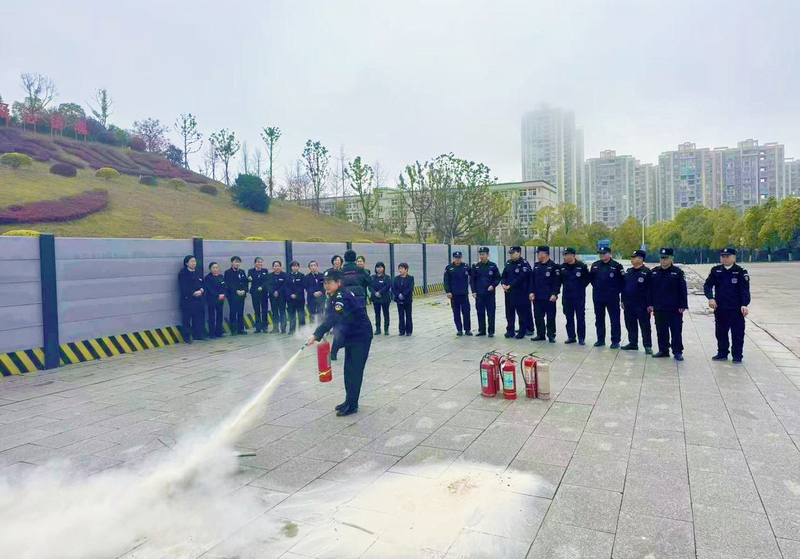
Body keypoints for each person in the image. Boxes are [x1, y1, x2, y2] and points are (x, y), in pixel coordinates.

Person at [306, 269, 374, 417]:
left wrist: (316, 334)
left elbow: (333, 318)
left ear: (339, 282)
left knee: (354, 372)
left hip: (361, 337)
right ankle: (348, 401)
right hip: (351, 336)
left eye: (329, 282)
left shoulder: (342, 297)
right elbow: (329, 317)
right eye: (324, 283)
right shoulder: (333, 295)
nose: (326, 285)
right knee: (348, 370)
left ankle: (352, 405)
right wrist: (322, 334)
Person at [704, 247, 750, 363]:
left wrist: (744, 304)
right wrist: (710, 298)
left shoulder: (740, 271)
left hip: (736, 308)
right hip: (721, 307)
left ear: (733, 257)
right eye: (723, 256)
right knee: (721, 332)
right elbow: (708, 285)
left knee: (737, 333)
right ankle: (722, 353)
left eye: (727, 256)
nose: (725, 259)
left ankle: (737, 355)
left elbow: (745, 290)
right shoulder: (716, 270)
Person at [649, 248, 688, 361]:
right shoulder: (654, 272)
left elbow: (682, 290)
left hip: (674, 307)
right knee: (661, 330)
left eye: (666, 258)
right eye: (661, 258)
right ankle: (663, 350)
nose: (663, 260)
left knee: (676, 330)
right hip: (659, 306)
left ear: (671, 259)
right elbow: (649, 290)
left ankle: (677, 351)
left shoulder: (677, 272)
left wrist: (682, 305)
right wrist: (650, 304)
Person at [590, 246, 624, 348]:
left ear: (610, 254)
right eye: (600, 253)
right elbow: (591, 279)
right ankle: (600, 339)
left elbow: (622, 281)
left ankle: (615, 341)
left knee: (614, 319)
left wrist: (615, 291)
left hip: (612, 297)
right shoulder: (595, 265)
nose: (602, 255)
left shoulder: (617, 266)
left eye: (604, 253)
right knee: (599, 319)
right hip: (598, 297)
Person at [621, 249, 653, 354]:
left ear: (641, 259)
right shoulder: (629, 271)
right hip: (629, 303)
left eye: (634, 257)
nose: (632, 259)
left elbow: (650, 289)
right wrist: (622, 300)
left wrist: (650, 304)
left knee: (645, 326)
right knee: (630, 324)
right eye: (631, 257)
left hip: (642, 304)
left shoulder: (647, 272)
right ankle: (633, 343)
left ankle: (647, 345)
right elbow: (624, 287)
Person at [529, 245, 560, 343]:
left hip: (549, 296)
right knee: (538, 316)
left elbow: (556, 282)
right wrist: (531, 292)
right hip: (538, 296)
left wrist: (555, 294)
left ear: (544, 254)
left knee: (550, 317)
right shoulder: (536, 265)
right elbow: (532, 281)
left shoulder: (554, 266)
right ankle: (540, 334)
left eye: (538, 253)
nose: (537, 255)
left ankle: (551, 335)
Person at [559, 248, 589, 345]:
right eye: (564, 255)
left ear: (573, 255)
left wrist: (580, 287)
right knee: (569, 317)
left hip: (579, 296)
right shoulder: (562, 267)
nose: (564, 257)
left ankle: (581, 338)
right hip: (567, 296)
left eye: (566, 255)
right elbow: (559, 280)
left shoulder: (582, 266)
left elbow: (587, 279)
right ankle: (571, 336)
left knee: (580, 317)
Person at [470, 247, 501, 338]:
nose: (481, 256)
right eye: (480, 254)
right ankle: (482, 330)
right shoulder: (476, 266)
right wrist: (473, 291)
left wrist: (493, 285)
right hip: (479, 294)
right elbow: (472, 280)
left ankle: (491, 331)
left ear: (487, 255)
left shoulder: (493, 266)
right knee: (480, 312)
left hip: (489, 294)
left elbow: (498, 278)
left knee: (491, 313)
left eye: (483, 254)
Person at [501, 246, 531, 339]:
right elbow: (504, 275)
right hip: (508, 292)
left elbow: (521, 278)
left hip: (520, 292)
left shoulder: (524, 264)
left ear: (518, 253)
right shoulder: (508, 263)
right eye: (510, 253)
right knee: (509, 312)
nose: (511, 255)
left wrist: (510, 285)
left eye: (513, 253)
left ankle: (522, 331)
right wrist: (503, 284)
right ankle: (510, 330)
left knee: (521, 313)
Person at [444, 251, 473, 336]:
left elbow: (473, 275)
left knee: (466, 312)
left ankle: (467, 329)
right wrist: (448, 291)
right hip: (454, 295)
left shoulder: (466, 266)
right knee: (456, 313)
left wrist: (474, 266)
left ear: (461, 258)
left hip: (464, 294)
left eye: (459, 257)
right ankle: (459, 329)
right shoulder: (449, 268)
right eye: (456, 258)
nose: (457, 259)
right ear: (453, 258)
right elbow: (446, 281)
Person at [178, 255, 206, 343]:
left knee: (198, 318)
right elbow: (184, 286)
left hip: (199, 299)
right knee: (186, 319)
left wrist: (201, 290)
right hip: (188, 299)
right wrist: (193, 292)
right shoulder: (183, 273)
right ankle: (186, 337)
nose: (194, 263)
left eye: (194, 261)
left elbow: (203, 283)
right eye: (191, 261)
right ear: (187, 263)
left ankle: (198, 335)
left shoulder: (198, 272)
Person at [224, 256, 249, 335]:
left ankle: (241, 329)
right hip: (233, 295)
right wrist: (236, 291)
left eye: (238, 262)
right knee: (233, 312)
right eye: (235, 262)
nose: (237, 264)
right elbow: (228, 283)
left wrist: (244, 290)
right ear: (232, 263)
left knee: (240, 312)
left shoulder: (242, 271)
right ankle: (233, 329)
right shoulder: (228, 272)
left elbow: (245, 282)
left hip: (241, 295)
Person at [248, 257, 270, 333]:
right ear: (255, 263)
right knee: (256, 310)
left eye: (261, 262)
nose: (259, 263)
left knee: (264, 310)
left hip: (263, 293)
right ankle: (258, 328)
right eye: (258, 262)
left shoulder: (265, 270)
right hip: (255, 293)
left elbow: (267, 281)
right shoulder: (251, 271)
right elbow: (250, 279)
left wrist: (262, 287)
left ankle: (265, 327)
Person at [204, 262, 226, 338]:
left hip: (221, 299)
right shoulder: (207, 278)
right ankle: (212, 333)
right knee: (212, 316)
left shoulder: (221, 276)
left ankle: (219, 332)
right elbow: (209, 289)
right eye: (213, 268)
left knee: (220, 315)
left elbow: (224, 287)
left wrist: (223, 294)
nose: (215, 269)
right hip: (212, 299)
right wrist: (217, 295)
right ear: (210, 269)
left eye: (216, 267)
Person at [370, 261, 392, 335]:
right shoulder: (372, 277)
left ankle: (386, 329)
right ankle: (378, 328)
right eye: (377, 267)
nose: (379, 269)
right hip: (375, 298)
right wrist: (374, 293)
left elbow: (387, 286)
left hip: (385, 298)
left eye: (380, 267)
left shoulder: (387, 277)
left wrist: (380, 292)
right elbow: (370, 286)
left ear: (383, 268)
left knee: (386, 313)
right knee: (377, 314)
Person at [393, 262, 414, 336]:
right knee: (401, 315)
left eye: (402, 268)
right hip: (399, 300)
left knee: (408, 315)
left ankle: (409, 331)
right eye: (399, 269)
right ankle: (401, 330)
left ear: (406, 269)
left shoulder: (410, 278)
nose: (400, 270)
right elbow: (394, 288)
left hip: (407, 299)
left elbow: (410, 288)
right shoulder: (396, 278)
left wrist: (403, 294)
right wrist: (398, 294)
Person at [286, 260, 306, 333]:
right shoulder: (287, 276)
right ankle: (292, 330)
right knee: (291, 315)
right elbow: (286, 287)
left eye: (296, 266)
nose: (295, 267)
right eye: (293, 266)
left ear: (298, 267)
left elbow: (302, 286)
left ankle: (302, 330)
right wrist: (290, 294)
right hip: (290, 299)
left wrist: (296, 294)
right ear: (291, 267)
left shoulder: (302, 275)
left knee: (301, 315)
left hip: (299, 299)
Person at [269, 260, 288, 333]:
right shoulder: (270, 275)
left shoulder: (285, 275)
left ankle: (283, 328)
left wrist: (278, 292)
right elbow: (268, 285)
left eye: (278, 266)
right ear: (273, 267)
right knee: (274, 313)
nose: (277, 267)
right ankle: (275, 328)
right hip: (273, 297)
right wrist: (273, 292)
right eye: (275, 266)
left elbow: (285, 285)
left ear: (281, 267)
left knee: (282, 312)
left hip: (282, 297)